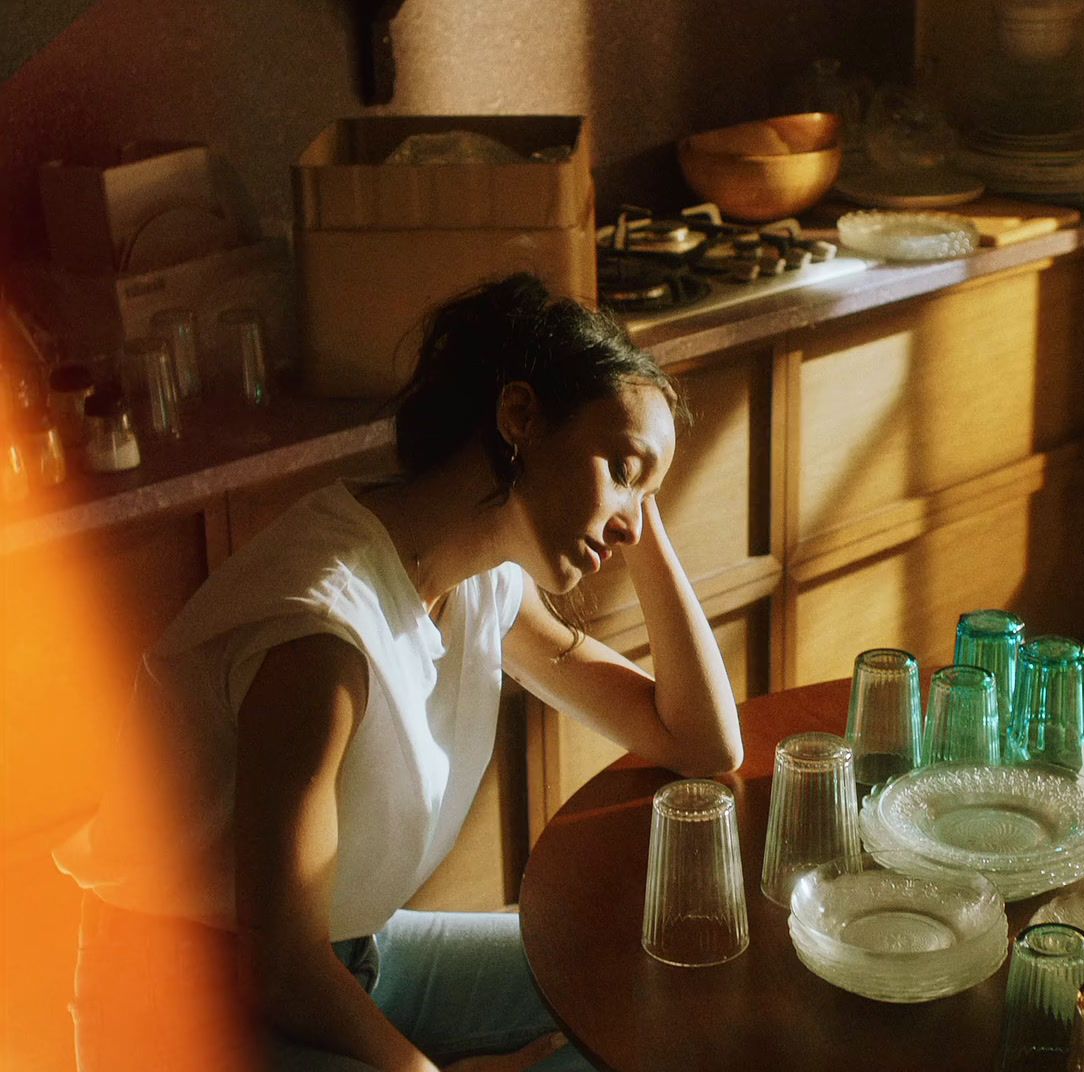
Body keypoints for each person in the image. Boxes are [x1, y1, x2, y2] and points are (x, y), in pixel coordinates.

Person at [54, 273, 743, 1071]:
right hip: (187, 1015)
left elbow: (700, 742)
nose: (629, 524)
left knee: (663, 980)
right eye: (621, 469)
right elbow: (279, 968)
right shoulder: (322, 639)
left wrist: (637, 495)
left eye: (645, 493)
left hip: (355, 955)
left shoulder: (482, 580)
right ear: (519, 416)